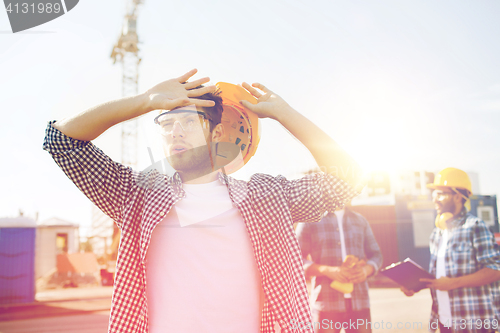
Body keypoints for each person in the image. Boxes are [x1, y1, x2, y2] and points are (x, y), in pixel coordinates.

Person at [43, 69, 362, 333]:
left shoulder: (266, 198)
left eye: (189, 122)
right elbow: (60, 141)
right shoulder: (137, 195)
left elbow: (347, 179)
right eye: (167, 124)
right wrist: (144, 101)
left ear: (215, 133)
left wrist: (284, 113)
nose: (175, 132)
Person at [401, 167, 500, 333]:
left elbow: (495, 270)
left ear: (457, 196)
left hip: (473, 321)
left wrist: (453, 284)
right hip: (443, 321)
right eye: (434, 194)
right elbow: (441, 278)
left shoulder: (475, 227)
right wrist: (415, 285)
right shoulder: (437, 234)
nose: (435, 199)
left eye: (440, 193)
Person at [296, 204, 382, 333]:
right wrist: (326, 270)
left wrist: (366, 270)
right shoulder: (309, 220)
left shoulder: (360, 220)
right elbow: (294, 259)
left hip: (360, 302)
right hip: (326, 302)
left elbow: (376, 255)